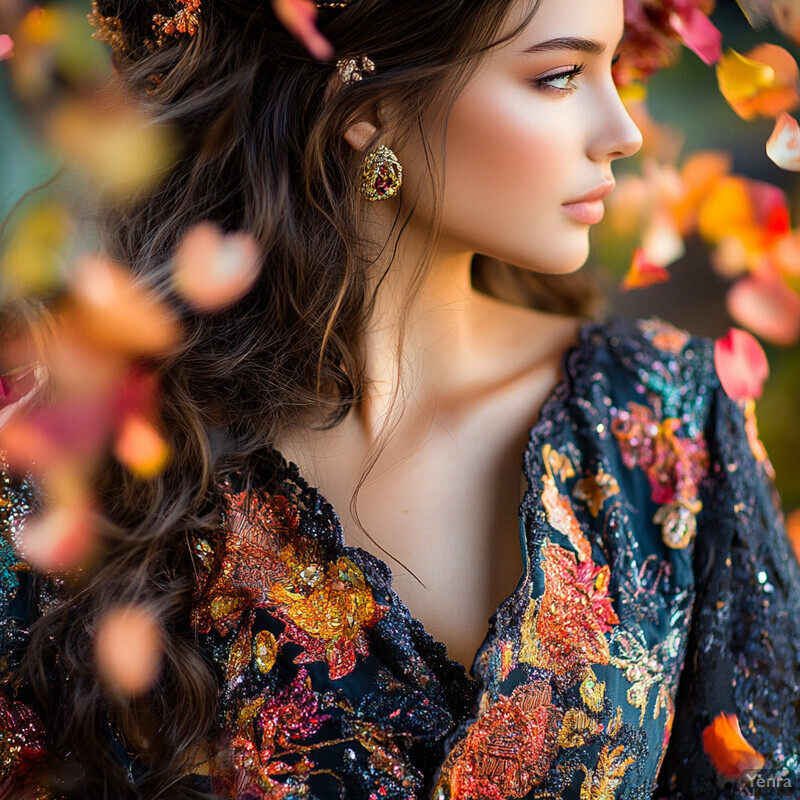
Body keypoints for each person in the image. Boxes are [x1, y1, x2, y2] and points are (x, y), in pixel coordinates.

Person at [1, 0, 799, 796]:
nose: (622, 129)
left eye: (612, 69)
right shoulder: (78, 457)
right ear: (366, 108)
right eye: (559, 76)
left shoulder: (667, 414)